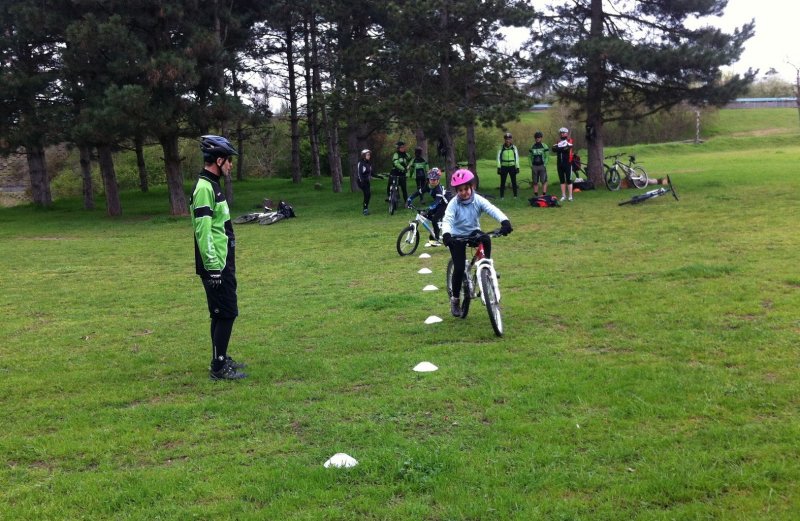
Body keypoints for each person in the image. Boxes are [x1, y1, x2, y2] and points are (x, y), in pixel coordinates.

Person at [190, 135, 247, 380]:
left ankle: (220, 358)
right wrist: (213, 267)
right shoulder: (204, 188)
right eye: (229, 161)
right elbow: (202, 232)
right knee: (226, 312)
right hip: (216, 265)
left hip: (223, 261)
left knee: (221, 312)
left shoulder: (213, 185)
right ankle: (218, 368)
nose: (231, 165)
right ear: (219, 160)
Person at [441, 169, 513, 318]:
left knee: (485, 238)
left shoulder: (478, 199)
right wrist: (446, 235)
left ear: (472, 187)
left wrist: (505, 222)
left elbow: (491, 209)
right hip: (456, 236)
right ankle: (455, 300)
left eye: (466, 189)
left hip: (473, 231)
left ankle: (486, 267)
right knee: (459, 268)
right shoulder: (453, 204)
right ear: (456, 191)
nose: (464, 193)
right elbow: (447, 220)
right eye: (460, 190)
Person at [406, 167, 451, 246]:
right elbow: (418, 193)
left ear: (438, 180)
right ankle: (435, 231)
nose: (432, 181)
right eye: (431, 179)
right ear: (428, 179)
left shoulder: (438, 189)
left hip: (445, 204)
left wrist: (430, 207)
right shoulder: (428, 186)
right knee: (427, 215)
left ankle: (436, 238)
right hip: (439, 203)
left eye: (434, 180)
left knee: (434, 220)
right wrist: (410, 199)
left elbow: (437, 202)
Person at [551, 127, 575, 202]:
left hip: (568, 163)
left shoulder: (569, 141)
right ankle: (563, 196)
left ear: (567, 134)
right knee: (562, 180)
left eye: (564, 133)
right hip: (559, 164)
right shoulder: (558, 142)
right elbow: (553, 149)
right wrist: (561, 148)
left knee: (569, 180)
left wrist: (559, 148)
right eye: (561, 133)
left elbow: (568, 148)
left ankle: (570, 196)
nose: (562, 134)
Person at [496, 132, 520, 199]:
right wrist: (498, 167)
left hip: (512, 166)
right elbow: (498, 157)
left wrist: (517, 167)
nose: (507, 140)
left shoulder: (514, 148)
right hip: (504, 166)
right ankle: (502, 196)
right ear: (504, 140)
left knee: (514, 182)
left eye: (509, 139)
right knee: (502, 182)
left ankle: (515, 196)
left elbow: (517, 157)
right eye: (506, 139)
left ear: (511, 139)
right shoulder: (501, 148)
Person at [528, 131, 549, 197]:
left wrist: (545, 164)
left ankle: (544, 194)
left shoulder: (544, 146)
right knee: (535, 181)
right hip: (534, 166)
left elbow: (547, 156)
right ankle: (536, 195)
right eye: (536, 137)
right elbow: (529, 156)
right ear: (535, 138)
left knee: (544, 181)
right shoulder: (532, 146)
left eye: (539, 137)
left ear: (541, 138)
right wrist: (531, 165)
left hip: (542, 166)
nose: (537, 138)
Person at [356, 149, 374, 215]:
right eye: (368, 155)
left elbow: (371, 173)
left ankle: (365, 208)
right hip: (361, 182)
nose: (369, 156)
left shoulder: (369, 163)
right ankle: (365, 210)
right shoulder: (360, 163)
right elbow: (359, 173)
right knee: (367, 194)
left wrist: (380, 176)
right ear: (364, 156)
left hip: (367, 181)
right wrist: (362, 182)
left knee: (368, 195)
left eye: (369, 155)